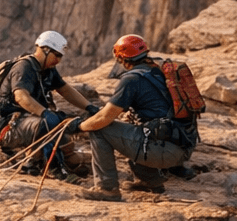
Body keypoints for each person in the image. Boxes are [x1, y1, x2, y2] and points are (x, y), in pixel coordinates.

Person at [76, 34, 196, 201]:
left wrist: (79, 127)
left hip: (164, 151)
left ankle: (107, 189)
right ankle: (150, 181)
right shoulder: (159, 70)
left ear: (121, 58)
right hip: (183, 145)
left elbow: (103, 119)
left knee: (100, 130)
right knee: (135, 124)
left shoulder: (132, 79)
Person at [0, 30, 97, 179]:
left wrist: (88, 106)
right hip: (10, 127)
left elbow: (65, 90)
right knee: (47, 125)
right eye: (57, 55)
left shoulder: (48, 70)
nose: (59, 60)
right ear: (45, 50)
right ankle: (57, 171)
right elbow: (21, 96)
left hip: (28, 122)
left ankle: (37, 162)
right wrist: (45, 113)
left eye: (61, 56)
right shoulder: (24, 68)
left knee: (64, 127)